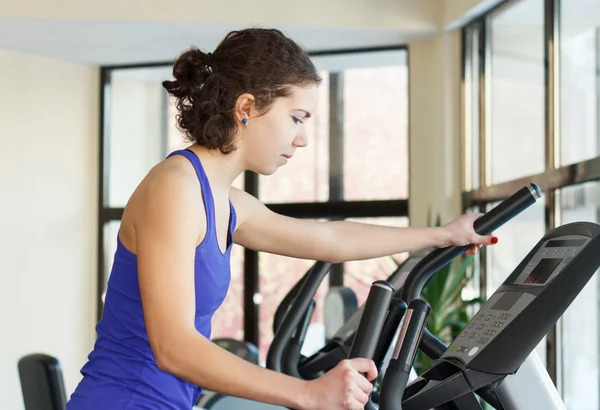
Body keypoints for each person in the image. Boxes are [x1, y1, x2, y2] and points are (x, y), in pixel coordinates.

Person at [67, 28, 497, 410]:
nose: (304, 138)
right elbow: (174, 347)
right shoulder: (175, 189)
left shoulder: (223, 200)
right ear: (247, 107)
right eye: (296, 118)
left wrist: (443, 234)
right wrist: (310, 394)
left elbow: (330, 242)